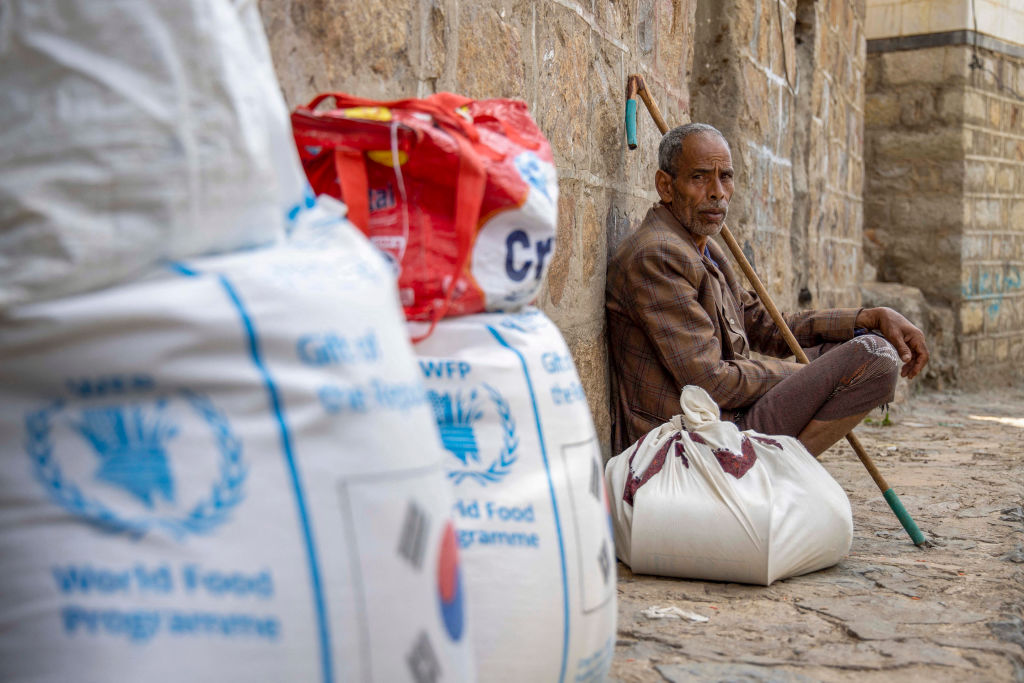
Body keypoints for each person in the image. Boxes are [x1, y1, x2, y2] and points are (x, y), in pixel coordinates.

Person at [606, 123, 929, 456]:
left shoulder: (703, 247)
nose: (717, 192)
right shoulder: (658, 254)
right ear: (666, 186)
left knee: (859, 348)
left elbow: (765, 326)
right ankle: (771, 475)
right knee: (875, 359)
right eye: (700, 178)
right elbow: (712, 383)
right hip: (694, 439)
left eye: (725, 177)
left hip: (728, 418)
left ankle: (776, 472)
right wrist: (815, 377)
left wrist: (868, 318)